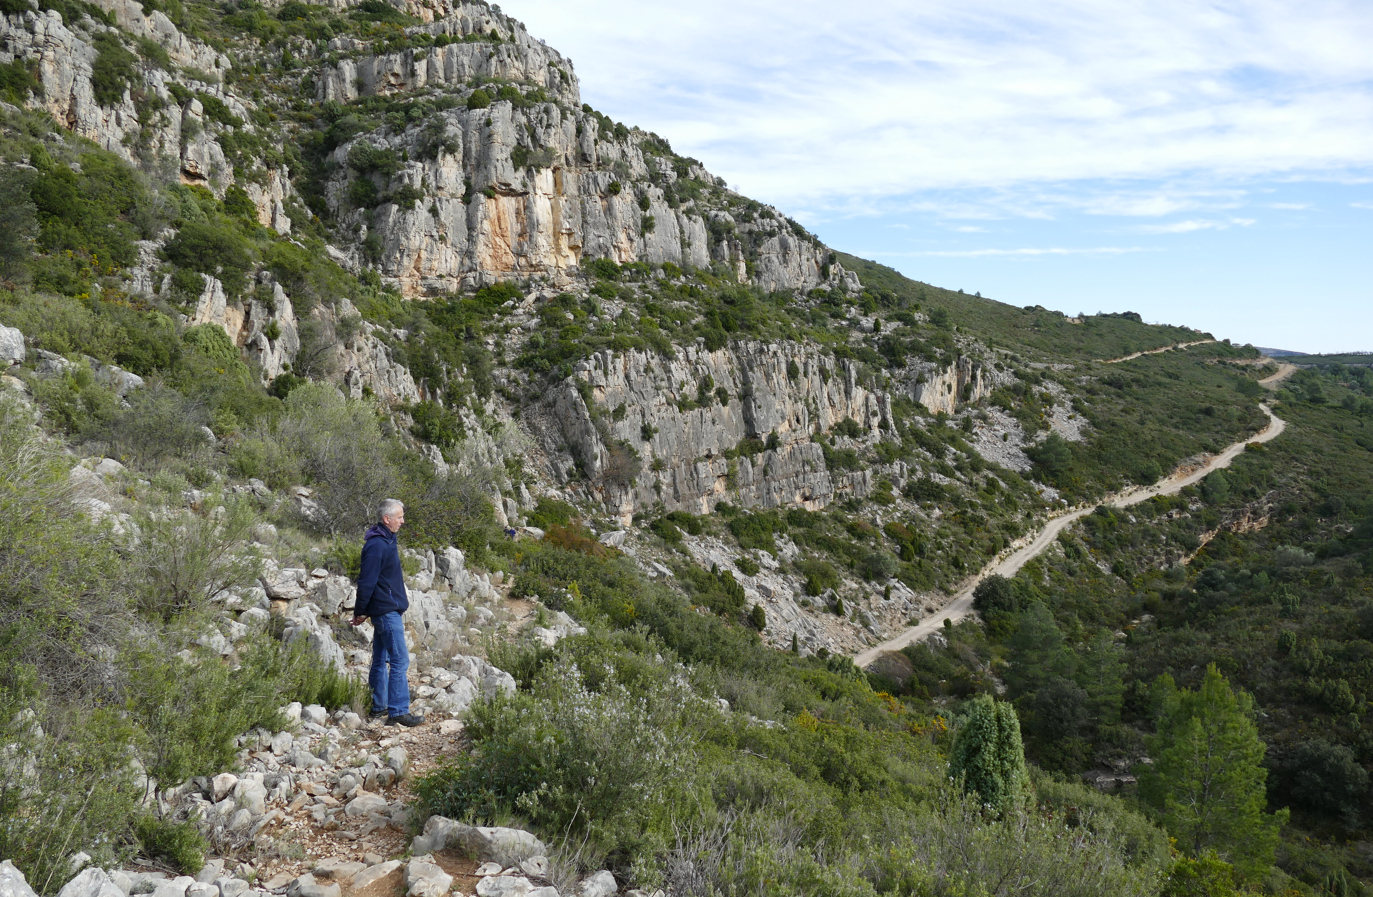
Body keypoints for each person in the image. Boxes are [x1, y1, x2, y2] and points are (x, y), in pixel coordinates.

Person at [350, 498, 424, 727]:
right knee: (400, 659)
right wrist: (361, 611)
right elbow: (366, 582)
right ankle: (398, 712)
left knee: (381, 659)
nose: (403, 521)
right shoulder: (376, 545)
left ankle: (378, 707)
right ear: (386, 519)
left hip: (386, 609)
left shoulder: (387, 539)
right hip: (386, 611)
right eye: (399, 517)